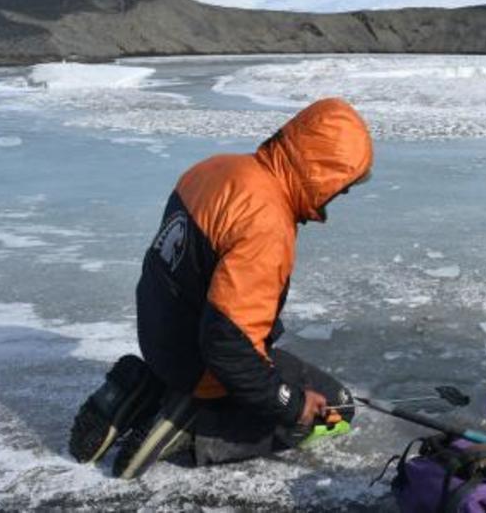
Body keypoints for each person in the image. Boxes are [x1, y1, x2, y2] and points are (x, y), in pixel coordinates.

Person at [68, 97, 373, 479]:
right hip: (201, 364)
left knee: (255, 352)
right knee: (337, 411)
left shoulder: (217, 168)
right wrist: (293, 405)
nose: (333, 203)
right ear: (323, 172)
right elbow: (228, 347)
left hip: (159, 337)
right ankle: (193, 429)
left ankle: (146, 389)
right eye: (340, 188)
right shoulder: (266, 221)